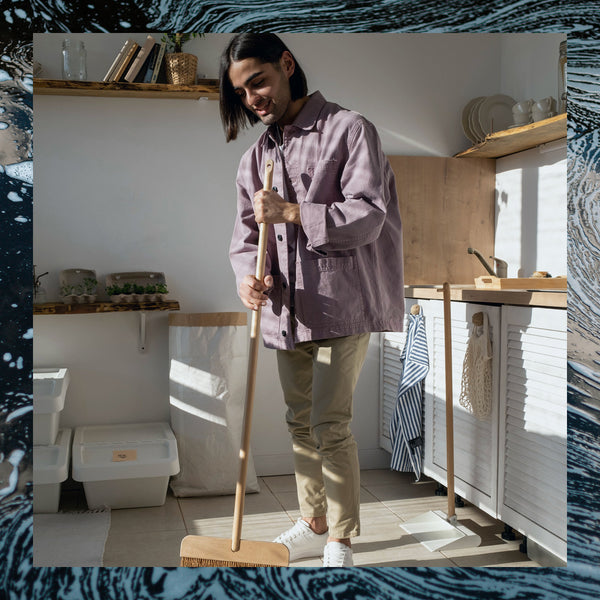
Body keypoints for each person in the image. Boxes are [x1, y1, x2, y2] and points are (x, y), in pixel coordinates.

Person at [219, 33, 404, 567]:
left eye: (259, 80)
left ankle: (340, 538)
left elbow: (369, 213)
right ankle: (313, 518)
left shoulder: (349, 130)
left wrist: (294, 212)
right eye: (242, 91)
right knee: (299, 421)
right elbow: (245, 240)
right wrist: (244, 279)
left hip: (340, 302)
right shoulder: (256, 156)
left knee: (329, 421)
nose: (253, 97)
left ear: (286, 64)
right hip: (285, 309)